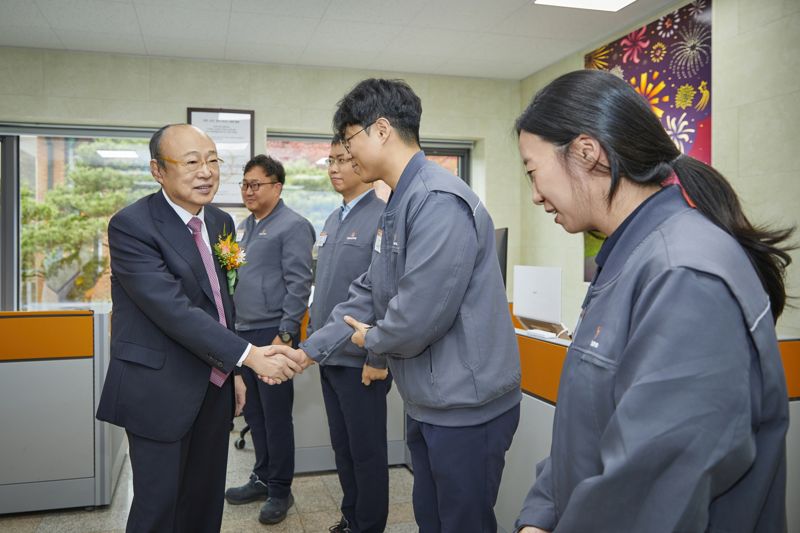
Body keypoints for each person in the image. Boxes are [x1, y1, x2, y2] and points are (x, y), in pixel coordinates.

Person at [514, 69, 793, 533]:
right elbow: (586, 430)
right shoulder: (629, 257)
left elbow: (652, 491)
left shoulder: (683, 275)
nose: (536, 195)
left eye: (533, 171)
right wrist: (541, 516)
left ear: (587, 152)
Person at [270, 78, 522, 533]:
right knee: (432, 518)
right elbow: (369, 288)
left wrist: (374, 341)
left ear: (380, 130)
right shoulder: (399, 200)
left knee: (461, 522)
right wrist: (309, 350)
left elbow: (420, 313)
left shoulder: (436, 199)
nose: (346, 155)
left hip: (466, 405)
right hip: (430, 399)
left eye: (349, 141)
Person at [96, 124, 302, 533]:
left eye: (212, 160)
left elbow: (222, 303)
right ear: (158, 170)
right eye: (191, 162)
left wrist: (235, 373)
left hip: (214, 383)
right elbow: (173, 309)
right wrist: (249, 355)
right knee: (158, 508)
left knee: (205, 502)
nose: (206, 171)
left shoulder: (221, 222)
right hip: (159, 388)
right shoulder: (132, 226)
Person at [223, 154, 315, 525]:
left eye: (255, 184)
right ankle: (261, 476)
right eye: (244, 184)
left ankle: (280, 488)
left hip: (272, 333)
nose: (248, 190)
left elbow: (299, 283)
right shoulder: (243, 228)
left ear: (277, 186)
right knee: (255, 413)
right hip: (244, 335)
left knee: (276, 416)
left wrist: (286, 333)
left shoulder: (292, 225)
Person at [310, 135, 390, 533]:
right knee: (342, 447)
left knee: (367, 451)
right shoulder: (331, 219)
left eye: (343, 160)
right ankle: (351, 516)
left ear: (361, 164)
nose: (335, 168)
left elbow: (385, 295)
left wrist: (378, 358)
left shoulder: (383, 217)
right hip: (329, 357)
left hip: (361, 358)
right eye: (330, 161)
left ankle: (369, 524)